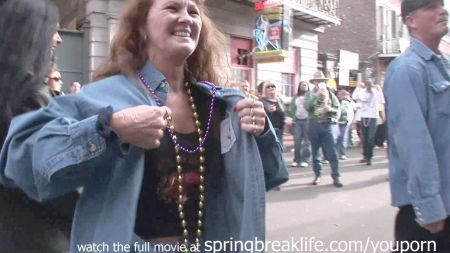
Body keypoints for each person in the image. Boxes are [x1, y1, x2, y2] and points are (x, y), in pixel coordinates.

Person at [0, 0, 288, 252]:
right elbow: (19, 159)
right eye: (172, 7)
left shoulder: (222, 105)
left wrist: (261, 133)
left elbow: (266, 179)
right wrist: (110, 128)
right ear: (142, 27)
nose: (186, 17)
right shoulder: (103, 97)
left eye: (193, 11)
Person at [0, 0, 78, 252]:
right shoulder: (32, 97)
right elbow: (54, 181)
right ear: (32, 34)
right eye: (52, 30)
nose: (58, 39)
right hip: (40, 237)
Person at [384, 0, 450, 251]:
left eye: (442, 5)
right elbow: (414, 143)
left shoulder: (442, 66)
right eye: (431, 6)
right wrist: (430, 207)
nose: (442, 11)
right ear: (411, 20)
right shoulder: (407, 70)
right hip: (428, 217)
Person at [304, 70, 342, 187]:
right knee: (315, 153)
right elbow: (307, 107)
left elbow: (338, 109)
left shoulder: (330, 94)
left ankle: (336, 177)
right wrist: (317, 96)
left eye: (321, 81)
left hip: (327, 125)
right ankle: (317, 175)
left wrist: (330, 109)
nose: (319, 83)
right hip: (314, 124)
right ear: (313, 82)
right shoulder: (309, 94)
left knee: (332, 153)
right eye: (317, 81)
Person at [352, 80, 384, 165]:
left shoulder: (375, 92)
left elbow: (381, 100)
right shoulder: (362, 91)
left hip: (373, 116)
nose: (368, 86)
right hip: (364, 116)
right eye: (366, 85)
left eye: (369, 85)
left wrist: (379, 90)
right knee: (364, 137)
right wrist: (358, 87)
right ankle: (365, 155)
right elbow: (354, 97)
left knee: (370, 137)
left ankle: (369, 157)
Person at [289, 81, 310, 167]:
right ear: (299, 87)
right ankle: (296, 160)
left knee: (307, 141)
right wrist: (292, 119)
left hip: (307, 121)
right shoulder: (295, 97)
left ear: (308, 87)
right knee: (297, 141)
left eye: (306, 85)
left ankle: (304, 160)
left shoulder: (310, 96)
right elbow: (292, 109)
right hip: (297, 121)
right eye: (302, 85)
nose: (304, 86)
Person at [261, 80, 286, 147]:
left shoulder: (280, 101)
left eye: (273, 86)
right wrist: (268, 111)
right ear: (265, 90)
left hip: (279, 131)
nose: (271, 88)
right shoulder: (262, 101)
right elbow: (260, 116)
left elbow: (284, 115)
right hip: (268, 132)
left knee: (279, 152)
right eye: (268, 87)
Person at [335, 89, 354, 160]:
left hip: (344, 122)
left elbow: (352, 110)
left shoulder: (347, 103)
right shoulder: (334, 102)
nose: (340, 96)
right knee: (336, 138)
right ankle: (336, 153)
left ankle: (342, 153)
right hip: (336, 123)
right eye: (339, 94)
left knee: (343, 138)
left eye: (342, 94)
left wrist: (349, 121)